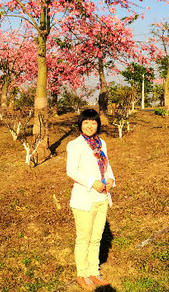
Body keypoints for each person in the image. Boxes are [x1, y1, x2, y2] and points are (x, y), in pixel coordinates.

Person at [66, 108, 115, 291]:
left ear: (97, 125)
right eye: (86, 122)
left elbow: (106, 166)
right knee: (84, 238)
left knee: (96, 238)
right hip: (84, 199)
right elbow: (71, 171)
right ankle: (82, 274)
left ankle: (94, 271)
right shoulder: (75, 145)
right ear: (80, 124)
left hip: (102, 197)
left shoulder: (101, 142)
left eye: (93, 122)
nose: (89, 126)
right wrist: (91, 182)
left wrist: (110, 179)